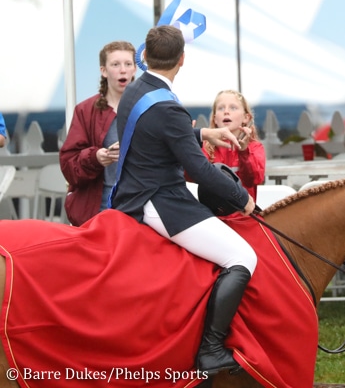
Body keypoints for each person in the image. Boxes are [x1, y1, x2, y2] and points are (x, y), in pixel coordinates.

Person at [109, 25, 256, 376]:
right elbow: (202, 171)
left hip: (136, 188)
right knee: (243, 256)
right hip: (158, 199)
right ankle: (211, 350)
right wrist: (244, 201)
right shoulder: (169, 108)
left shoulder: (136, 89)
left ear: (143, 57)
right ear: (182, 60)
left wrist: (202, 132)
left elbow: (153, 131)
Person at [59, 41, 137, 226]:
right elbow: (68, 164)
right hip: (99, 206)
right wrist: (95, 158)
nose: (123, 70)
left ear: (135, 69)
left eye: (128, 64)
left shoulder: (147, 107)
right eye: (115, 64)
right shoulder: (85, 110)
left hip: (139, 204)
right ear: (104, 70)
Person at [202, 89, 265, 202]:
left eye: (233, 108)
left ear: (246, 118)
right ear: (215, 118)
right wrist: (188, 143)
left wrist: (244, 152)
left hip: (244, 216)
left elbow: (254, 179)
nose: (226, 111)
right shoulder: (206, 147)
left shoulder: (255, 147)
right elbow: (194, 178)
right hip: (214, 216)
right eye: (221, 108)